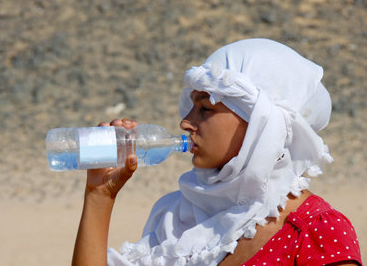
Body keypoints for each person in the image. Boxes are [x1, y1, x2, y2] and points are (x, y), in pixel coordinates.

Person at [72, 39, 363, 266]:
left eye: (206, 108)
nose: (185, 122)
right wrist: (99, 195)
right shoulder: (177, 219)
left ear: (262, 124)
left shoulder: (315, 230)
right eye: (191, 107)